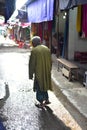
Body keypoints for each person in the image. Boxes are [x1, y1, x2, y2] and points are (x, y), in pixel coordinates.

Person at [29, 36, 52, 108]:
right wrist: (49, 69)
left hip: (39, 71)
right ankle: (47, 100)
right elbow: (51, 61)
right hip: (47, 70)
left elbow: (32, 64)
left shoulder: (34, 50)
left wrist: (30, 74)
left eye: (32, 43)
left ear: (34, 43)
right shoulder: (46, 48)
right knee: (45, 85)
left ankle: (41, 103)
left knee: (39, 86)